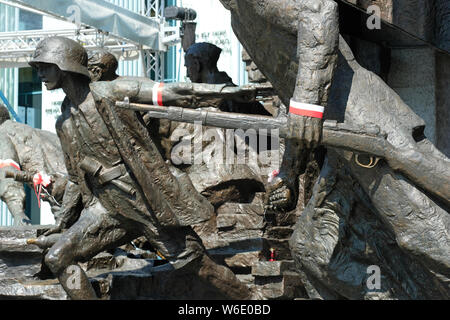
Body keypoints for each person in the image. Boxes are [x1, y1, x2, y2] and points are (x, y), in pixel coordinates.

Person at [220, 0, 450, 299]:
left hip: (361, 122)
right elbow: (298, 113)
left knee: (429, 238)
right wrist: (290, 173)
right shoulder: (239, 20)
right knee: (314, 250)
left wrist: (305, 108)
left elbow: (318, 10)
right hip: (338, 143)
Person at [30, 36, 253, 300]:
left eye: (45, 66)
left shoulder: (108, 93)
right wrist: (63, 223)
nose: (41, 74)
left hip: (146, 203)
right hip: (105, 209)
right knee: (58, 258)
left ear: (65, 65)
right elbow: (77, 180)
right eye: (38, 68)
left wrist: (222, 92)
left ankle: (251, 302)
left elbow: (170, 93)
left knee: (200, 267)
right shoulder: (63, 122)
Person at [0, 104, 68, 225]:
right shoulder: (33, 131)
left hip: (61, 192)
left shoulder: (2, 134)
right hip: (79, 184)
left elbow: (7, 173)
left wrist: (18, 214)